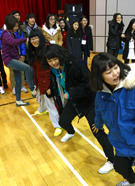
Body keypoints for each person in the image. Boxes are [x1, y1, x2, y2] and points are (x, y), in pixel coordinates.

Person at [42, 44, 115, 174]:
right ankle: (70, 132)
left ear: (59, 55)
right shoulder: (55, 69)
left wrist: (71, 93)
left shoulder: (75, 63)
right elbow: (56, 81)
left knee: (97, 131)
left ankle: (112, 160)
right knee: (63, 121)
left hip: (89, 102)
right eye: (50, 61)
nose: (53, 63)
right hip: (75, 102)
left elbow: (89, 84)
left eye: (55, 59)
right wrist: (51, 90)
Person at [90, 52, 135, 186]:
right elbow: (99, 110)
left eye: (116, 68)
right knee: (120, 167)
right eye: (108, 72)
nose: (115, 73)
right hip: (120, 143)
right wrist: (98, 124)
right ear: (99, 76)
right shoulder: (101, 93)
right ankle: (132, 183)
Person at [28, 29, 63, 136]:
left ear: (40, 37)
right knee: (41, 97)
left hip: (47, 80)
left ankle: (58, 125)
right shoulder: (34, 49)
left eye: (36, 38)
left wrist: (48, 85)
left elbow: (49, 69)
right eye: (32, 39)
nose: (34, 41)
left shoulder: (46, 48)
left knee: (51, 102)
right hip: (39, 79)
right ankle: (42, 109)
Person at [1, 14, 36, 106]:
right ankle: (32, 89)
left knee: (19, 81)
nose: (17, 28)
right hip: (9, 60)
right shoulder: (5, 34)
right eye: (15, 26)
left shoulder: (12, 34)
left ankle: (18, 100)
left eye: (17, 26)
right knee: (28, 68)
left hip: (14, 58)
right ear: (10, 25)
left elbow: (16, 46)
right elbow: (12, 43)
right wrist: (25, 39)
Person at [11, 10, 28, 95]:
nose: (17, 17)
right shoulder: (6, 30)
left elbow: (22, 43)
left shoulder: (20, 29)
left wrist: (23, 54)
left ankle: (22, 86)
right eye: (15, 15)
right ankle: (14, 87)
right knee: (13, 72)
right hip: (11, 55)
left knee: (21, 70)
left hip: (19, 53)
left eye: (18, 15)